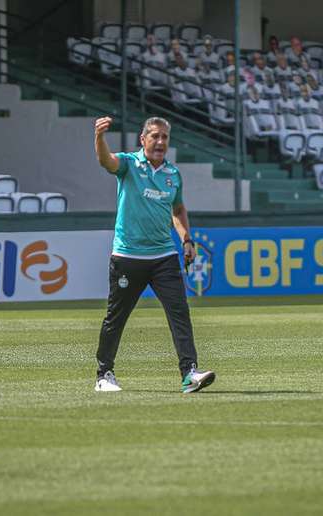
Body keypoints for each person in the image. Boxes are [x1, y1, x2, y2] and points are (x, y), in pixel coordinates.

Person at [93, 115, 216, 394]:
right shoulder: (128, 163)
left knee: (180, 314)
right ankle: (104, 374)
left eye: (165, 137)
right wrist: (99, 138)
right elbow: (106, 161)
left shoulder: (173, 174)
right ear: (143, 139)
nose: (160, 142)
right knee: (116, 317)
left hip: (164, 256)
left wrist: (187, 239)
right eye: (155, 136)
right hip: (128, 257)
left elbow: (178, 209)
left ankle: (190, 373)